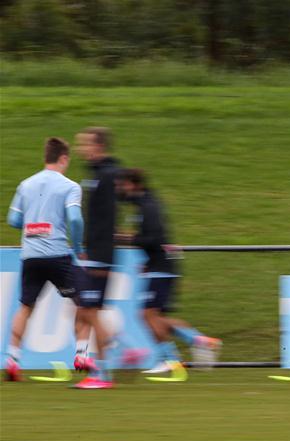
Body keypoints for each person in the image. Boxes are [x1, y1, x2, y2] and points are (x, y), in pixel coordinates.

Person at [114, 169, 221, 372]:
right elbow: (155, 238)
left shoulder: (148, 207)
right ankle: (199, 341)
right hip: (160, 266)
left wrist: (125, 238)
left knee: (147, 315)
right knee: (157, 318)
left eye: (122, 185)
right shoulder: (146, 204)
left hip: (161, 267)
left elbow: (154, 239)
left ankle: (172, 359)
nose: (120, 190)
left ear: (134, 184)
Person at [4, 137, 84, 382]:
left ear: (45, 157)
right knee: (84, 303)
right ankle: (81, 355)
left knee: (25, 307)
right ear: (64, 159)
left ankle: (12, 359)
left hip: (30, 256)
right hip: (58, 254)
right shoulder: (70, 186)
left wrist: (34, 224)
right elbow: (75, 219)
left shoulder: (25, 184)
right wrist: (77, 247)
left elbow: (13, 220)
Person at [70, 126, 122, 388]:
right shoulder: (97, 174)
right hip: (96, 252)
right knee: (85, 310)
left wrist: (93, 250)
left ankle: (109, 360)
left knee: (89, 311)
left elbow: (107, 218)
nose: (81, 149)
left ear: (99, 146)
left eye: (85, 144)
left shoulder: (107, 175)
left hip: (98, 254)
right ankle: (101, 371)